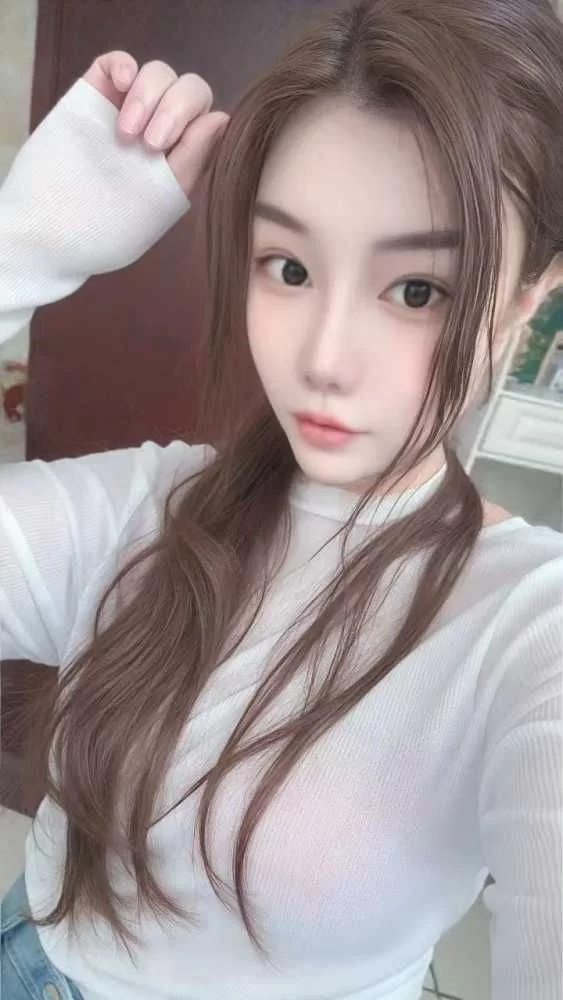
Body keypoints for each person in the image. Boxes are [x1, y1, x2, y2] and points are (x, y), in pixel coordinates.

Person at [1, 1, 562, 998]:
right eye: (289, 268)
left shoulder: (528, 629)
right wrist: (23, 246)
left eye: (418, 290)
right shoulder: (147, 508)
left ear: (529, 295)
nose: (322, 359)